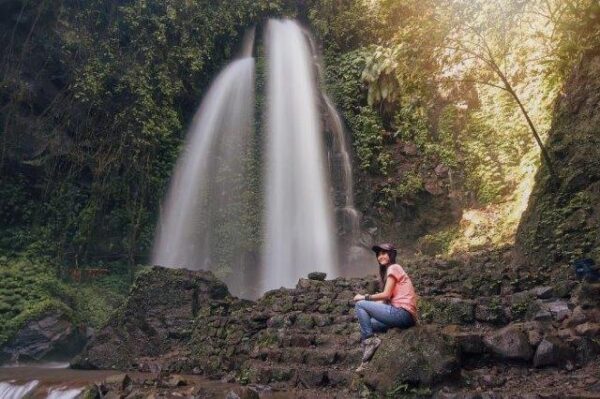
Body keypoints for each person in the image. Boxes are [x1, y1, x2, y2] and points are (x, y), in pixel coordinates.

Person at [353, 243, 417, 372]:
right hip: (402, 316)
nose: (380, 256)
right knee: (367, 326)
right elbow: (385, 300)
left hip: (402, 313)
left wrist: (364, 297)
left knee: (360, 305)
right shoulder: (390, 271)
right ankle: (366, 363)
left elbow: (386, 294)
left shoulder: (394, 267)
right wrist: (369, 307)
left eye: (384, 253)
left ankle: (371, 342)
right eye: (379, 254)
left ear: (391, 254)